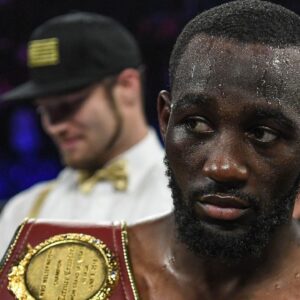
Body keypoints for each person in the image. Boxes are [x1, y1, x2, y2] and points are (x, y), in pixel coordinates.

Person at [2, 0, 300, 299]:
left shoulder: (169, 191)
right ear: (166, 119)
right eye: (196, 124)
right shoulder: (29, 218)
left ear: (128, 86)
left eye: (263, 133)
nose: (221, 166)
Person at [0, 13, 172, 258]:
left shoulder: (183, 200)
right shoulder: (23, 211)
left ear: (127, 87)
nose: (55, 126)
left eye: (69, 106)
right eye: (46, 111)